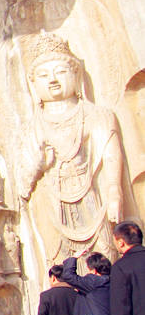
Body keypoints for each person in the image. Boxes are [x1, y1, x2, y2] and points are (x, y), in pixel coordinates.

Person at [19, 33, 126, 263]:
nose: (53, 80)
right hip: (52, 200)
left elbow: (110, 154)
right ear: (34, 84)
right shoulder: (33, 127)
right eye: (44, 75)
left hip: (91, 197)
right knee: (59, 263)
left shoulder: (96, 115)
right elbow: (23, 185)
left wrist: (114, 190)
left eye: (60, 72)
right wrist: (39, 164)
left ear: (76, 76)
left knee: (104, 257)